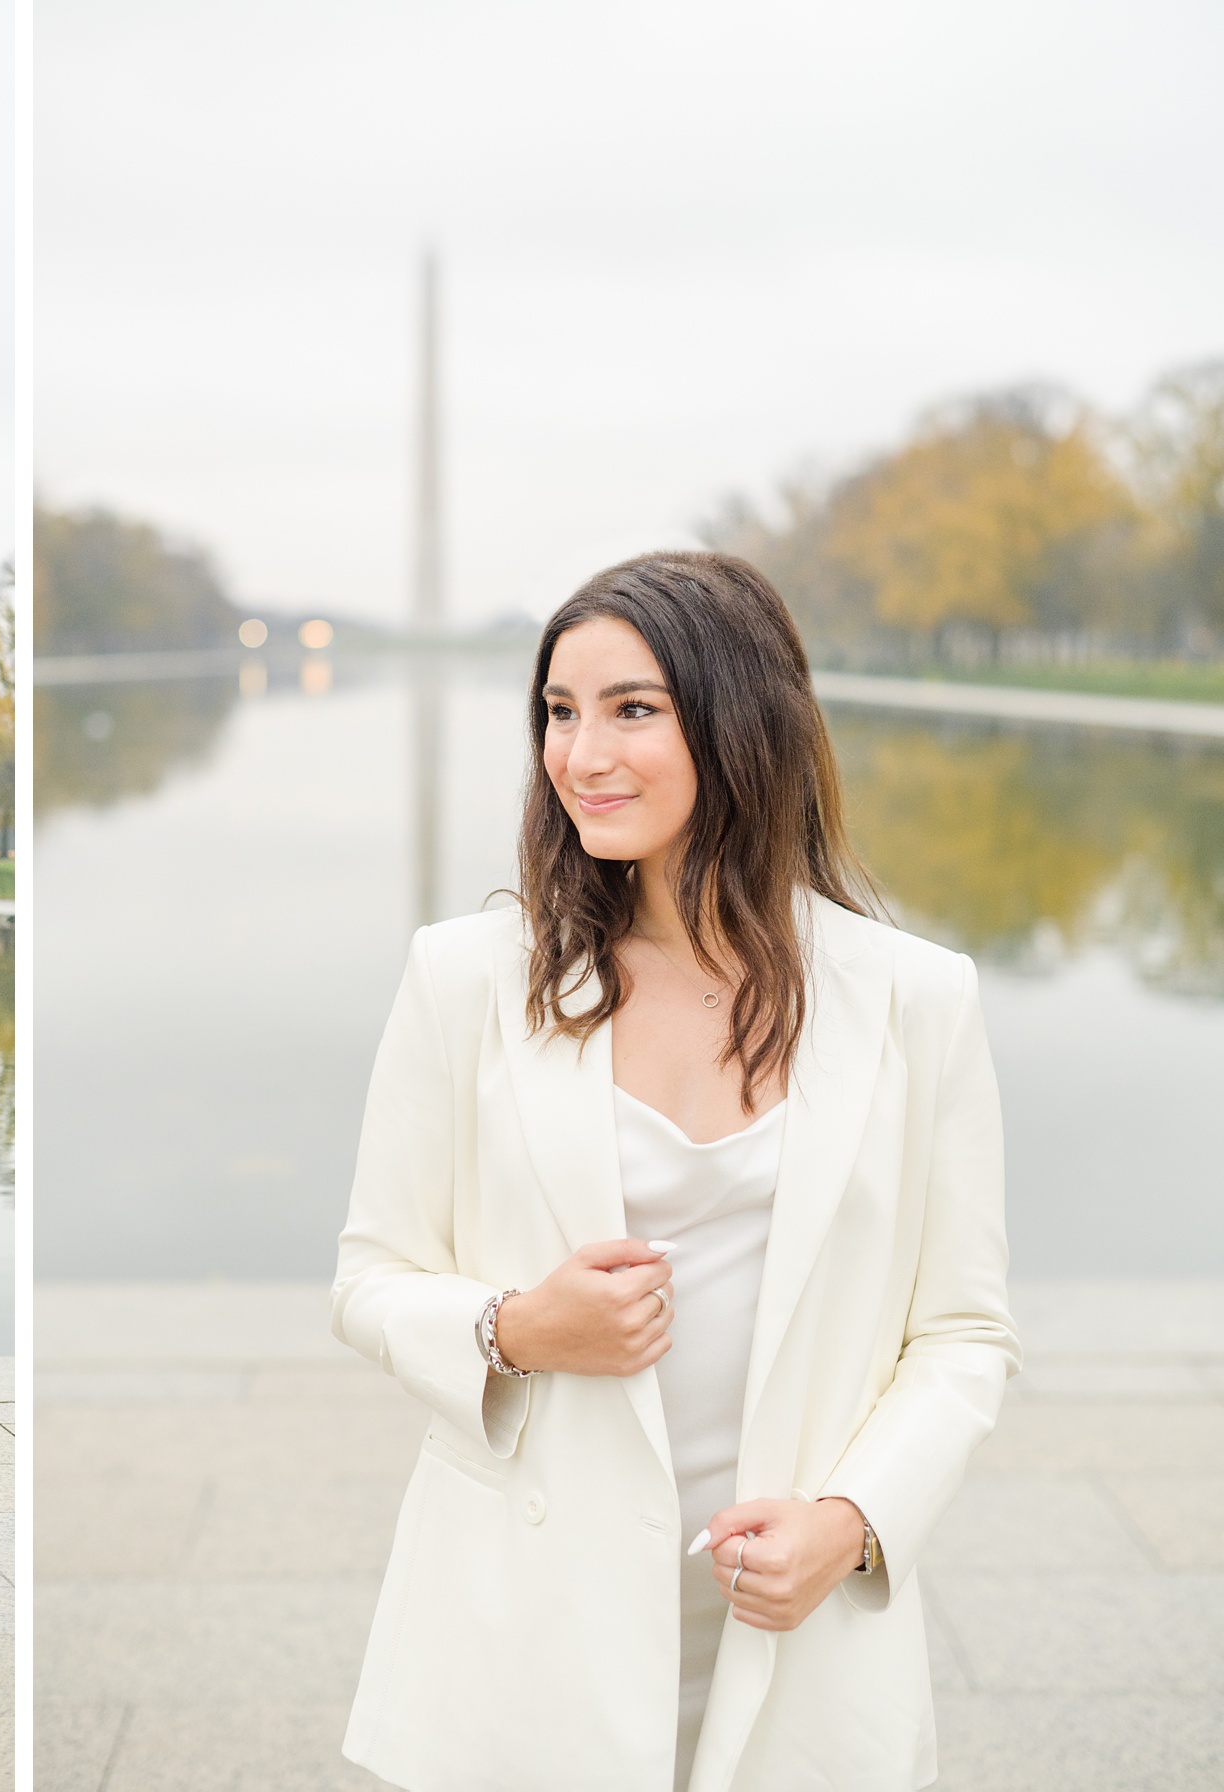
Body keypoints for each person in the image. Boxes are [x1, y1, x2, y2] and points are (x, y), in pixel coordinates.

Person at [332, 553, 1018, 1791]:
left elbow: (964, 1332)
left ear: (743, 720)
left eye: (632, 708)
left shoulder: (917, 1000)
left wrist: (852, 1523)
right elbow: (370, 1277)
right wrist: (516, 1326)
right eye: (558, 710)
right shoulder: (465, 978)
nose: (581, 753)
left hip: (787, 1615)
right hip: (531, 1625)